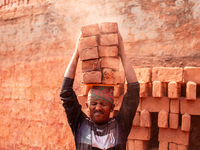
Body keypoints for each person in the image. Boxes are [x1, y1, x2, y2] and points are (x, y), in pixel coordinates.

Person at [60, 32, 140, 150]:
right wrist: (76, 54)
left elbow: (134, 91)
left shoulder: (120, 125)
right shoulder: (80, 125)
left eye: (103, 104)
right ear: (87, 106)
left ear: (112, 107)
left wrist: (123, 54)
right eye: (94, 103)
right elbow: (65, 92)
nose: (98, 108)